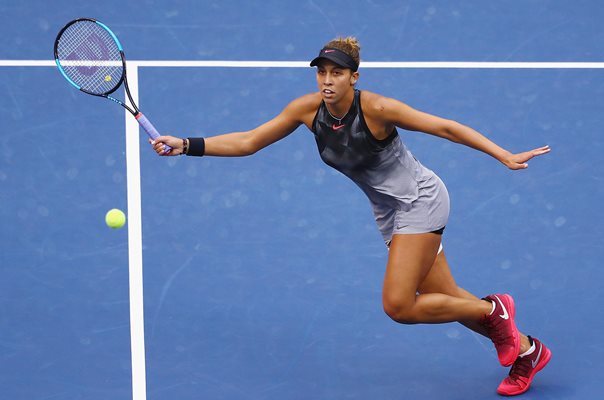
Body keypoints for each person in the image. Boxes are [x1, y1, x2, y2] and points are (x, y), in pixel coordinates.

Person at [150, 37, 552, 396]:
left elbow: (444, 127)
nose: (327, 81)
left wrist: (501, 153)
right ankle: (529, 351)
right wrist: (187, 144)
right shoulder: (306, 111)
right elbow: (249, 142)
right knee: (445, 300)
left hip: (420, 201)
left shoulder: (377, 108)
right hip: (389, 212)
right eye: (322, 72)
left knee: (400, 305)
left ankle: (493, 309)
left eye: (336, 73)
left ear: (353, 77)